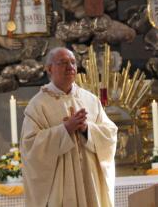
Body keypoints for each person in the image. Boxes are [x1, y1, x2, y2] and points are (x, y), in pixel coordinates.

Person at [20, 47, 118, 207]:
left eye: (73, 62)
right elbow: (30, 146)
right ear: (49, 68)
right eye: (63, 62)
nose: (70, 67)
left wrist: (87, 129)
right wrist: (64, 130)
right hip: (60, 183)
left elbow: (110, 134)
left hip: (89, 178)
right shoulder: (38, 105)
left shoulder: (90, 99)